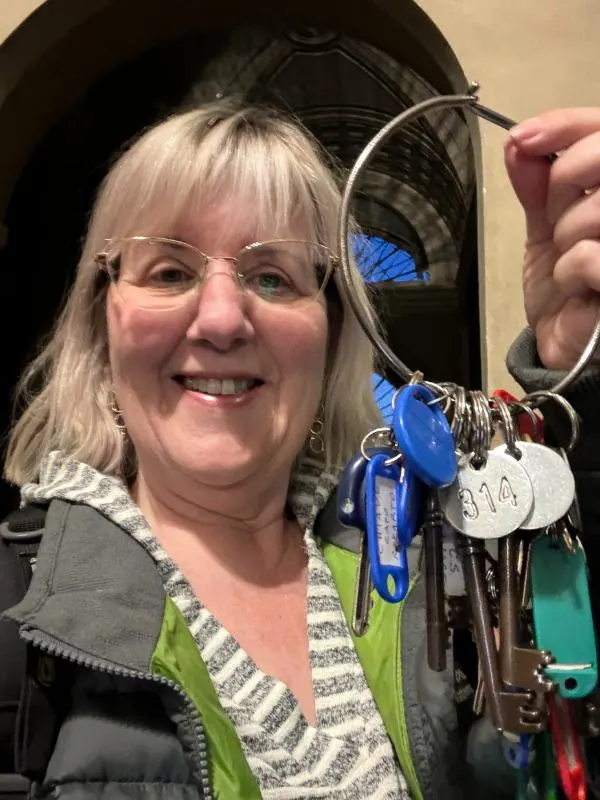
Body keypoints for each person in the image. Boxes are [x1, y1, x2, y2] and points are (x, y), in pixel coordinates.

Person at [1, 99, 599, 800]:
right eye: (168, 272)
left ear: (331, 334)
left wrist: (582, 384)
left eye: (272, 277)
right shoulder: (19, 617)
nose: (222, 319)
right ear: (101, 330)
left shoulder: (430, 560)